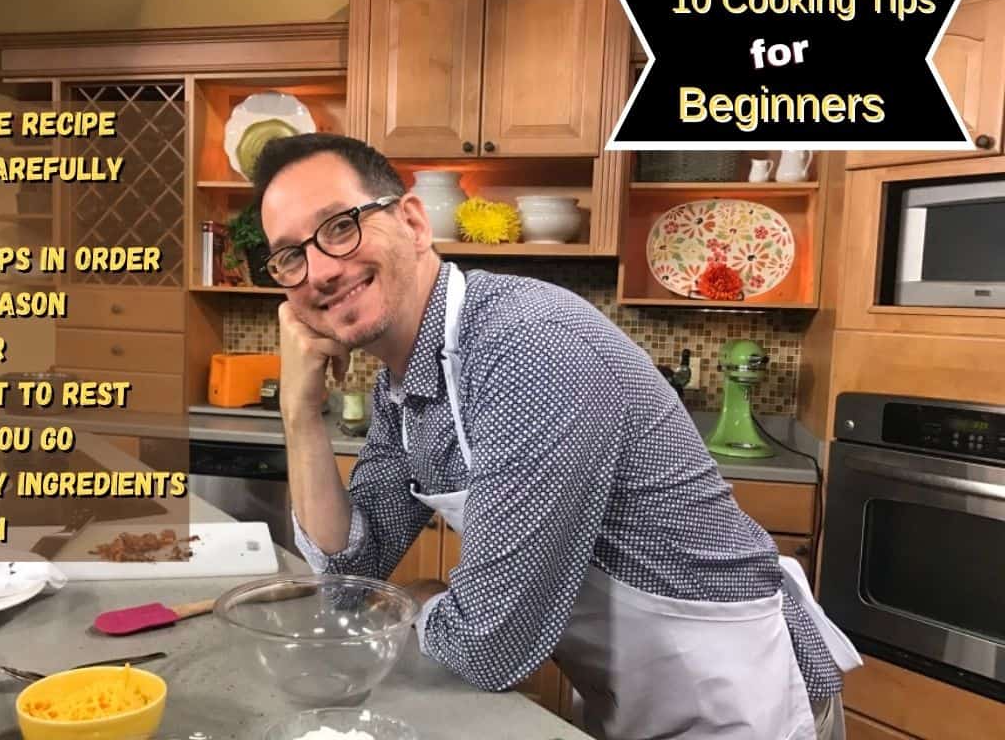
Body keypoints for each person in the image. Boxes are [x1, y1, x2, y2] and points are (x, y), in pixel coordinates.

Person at [253, 132, 861, 740]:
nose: (320, 272)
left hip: (737, 692)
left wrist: (414, 600)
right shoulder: (404, 383)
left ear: (412, 221)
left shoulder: (525, 344)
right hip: (624, 695)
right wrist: (301, 413)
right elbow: (349, 573)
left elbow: (489, 647)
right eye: (290, 257)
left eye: (339, 226)